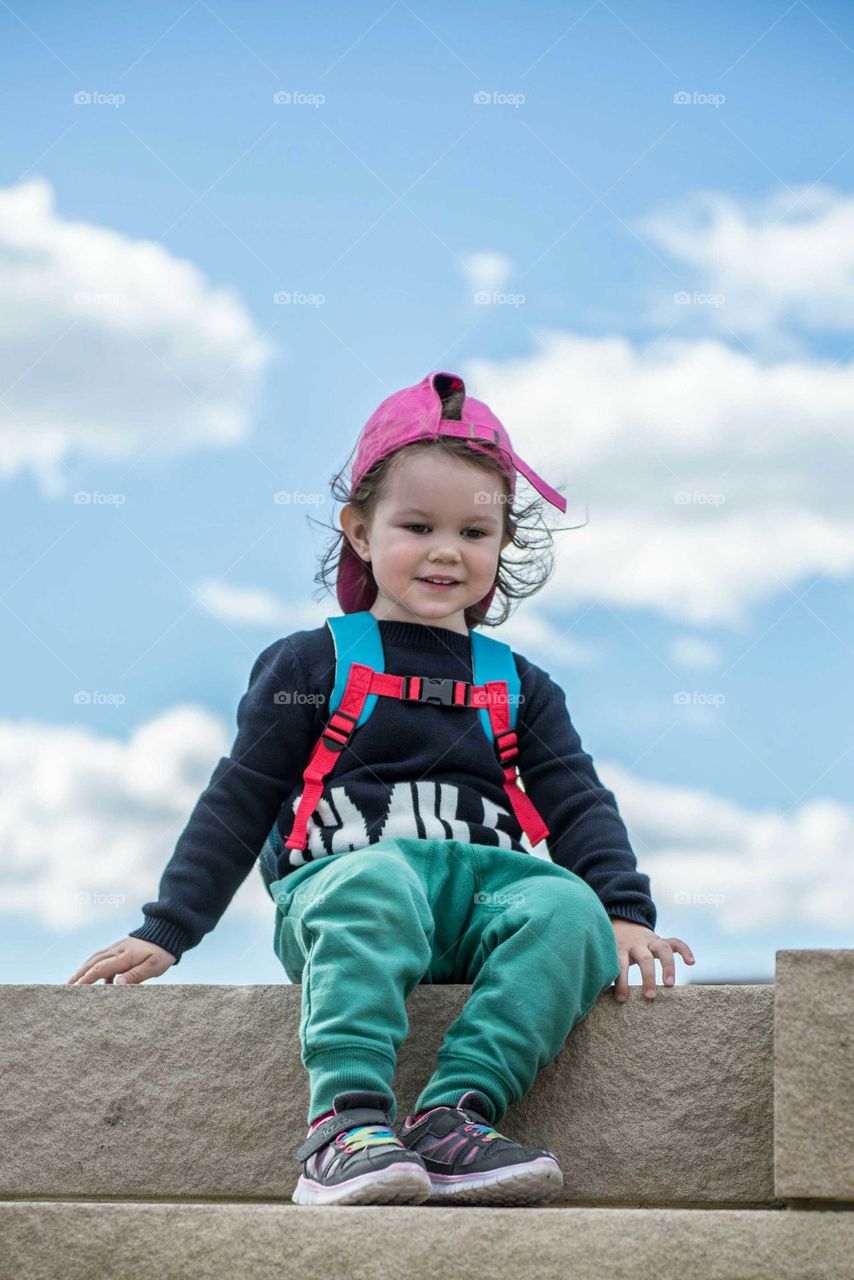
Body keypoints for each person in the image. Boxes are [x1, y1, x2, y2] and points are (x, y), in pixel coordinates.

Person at [66, 370, 695, 1208]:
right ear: (360, 532)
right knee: (378, 879)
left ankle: (456, 1114)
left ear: (503, 543)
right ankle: (346, 1123)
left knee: (566, 907)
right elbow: (240, 794)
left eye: (475, 531)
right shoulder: (312, 663)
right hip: (343, 892)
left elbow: (577, 800)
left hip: (482, 903)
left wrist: (624, 910)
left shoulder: (521, 685)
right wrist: (169, 929)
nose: (446, 550)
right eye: (417, 525)